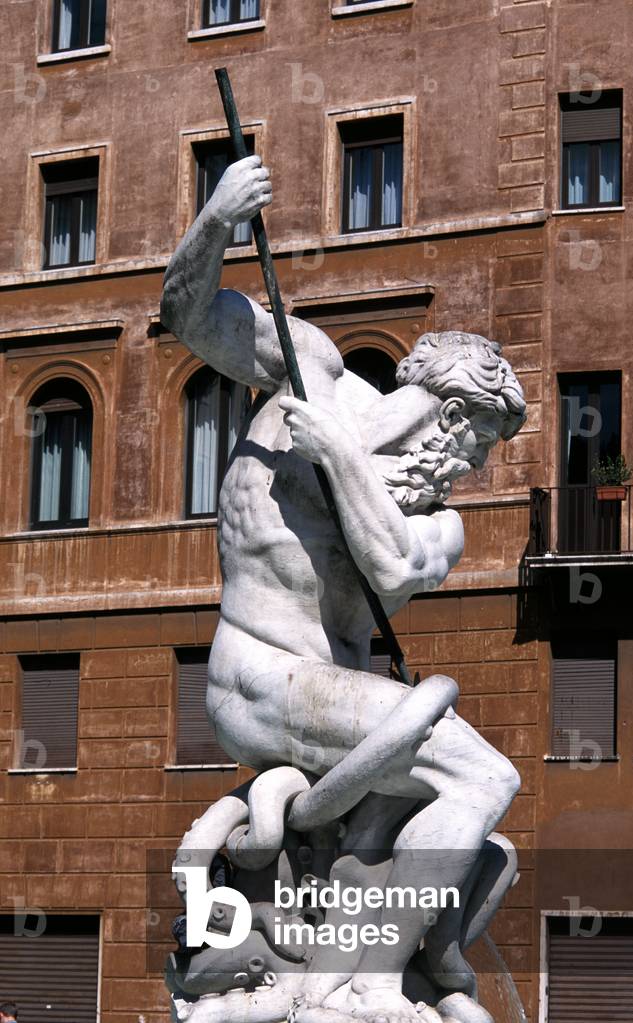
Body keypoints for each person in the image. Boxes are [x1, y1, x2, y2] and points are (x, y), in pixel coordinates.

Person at [161, 155, 527, 1023]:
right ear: (449, 413)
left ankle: (382, 964)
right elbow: (188, 318)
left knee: (467, 813)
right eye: (480, 441)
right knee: (485, 774)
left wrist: (341, 461)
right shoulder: (312, 373)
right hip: (259, 673)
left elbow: (394, 567)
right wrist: (216, 219)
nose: (474, 465)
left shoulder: (440, 525)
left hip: (340, 707)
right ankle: (367, 981)